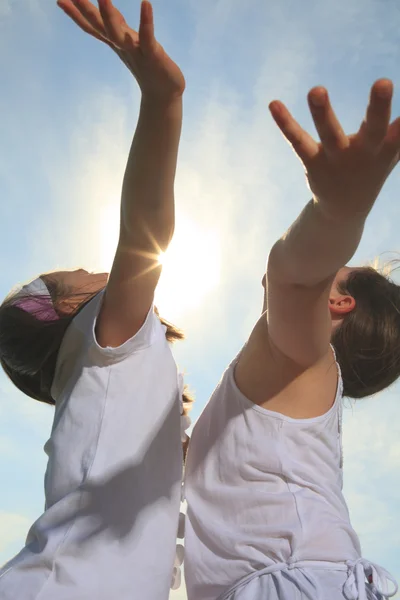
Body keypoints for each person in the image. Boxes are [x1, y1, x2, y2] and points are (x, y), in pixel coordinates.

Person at [0, 1, 191, 598]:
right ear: (65, 309)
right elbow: (143, 231)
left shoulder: (98, 371)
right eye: (78, 272)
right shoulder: (103, 338)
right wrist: (164, 100)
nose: (94, 268)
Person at [184, 79, 400, 600]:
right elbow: (204, 462)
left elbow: (294, 275)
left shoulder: (305, 358)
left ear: (337, 303)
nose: (324, 268)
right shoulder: (279, 395)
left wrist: (337, 212)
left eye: (335, 268)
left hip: (300, 583)